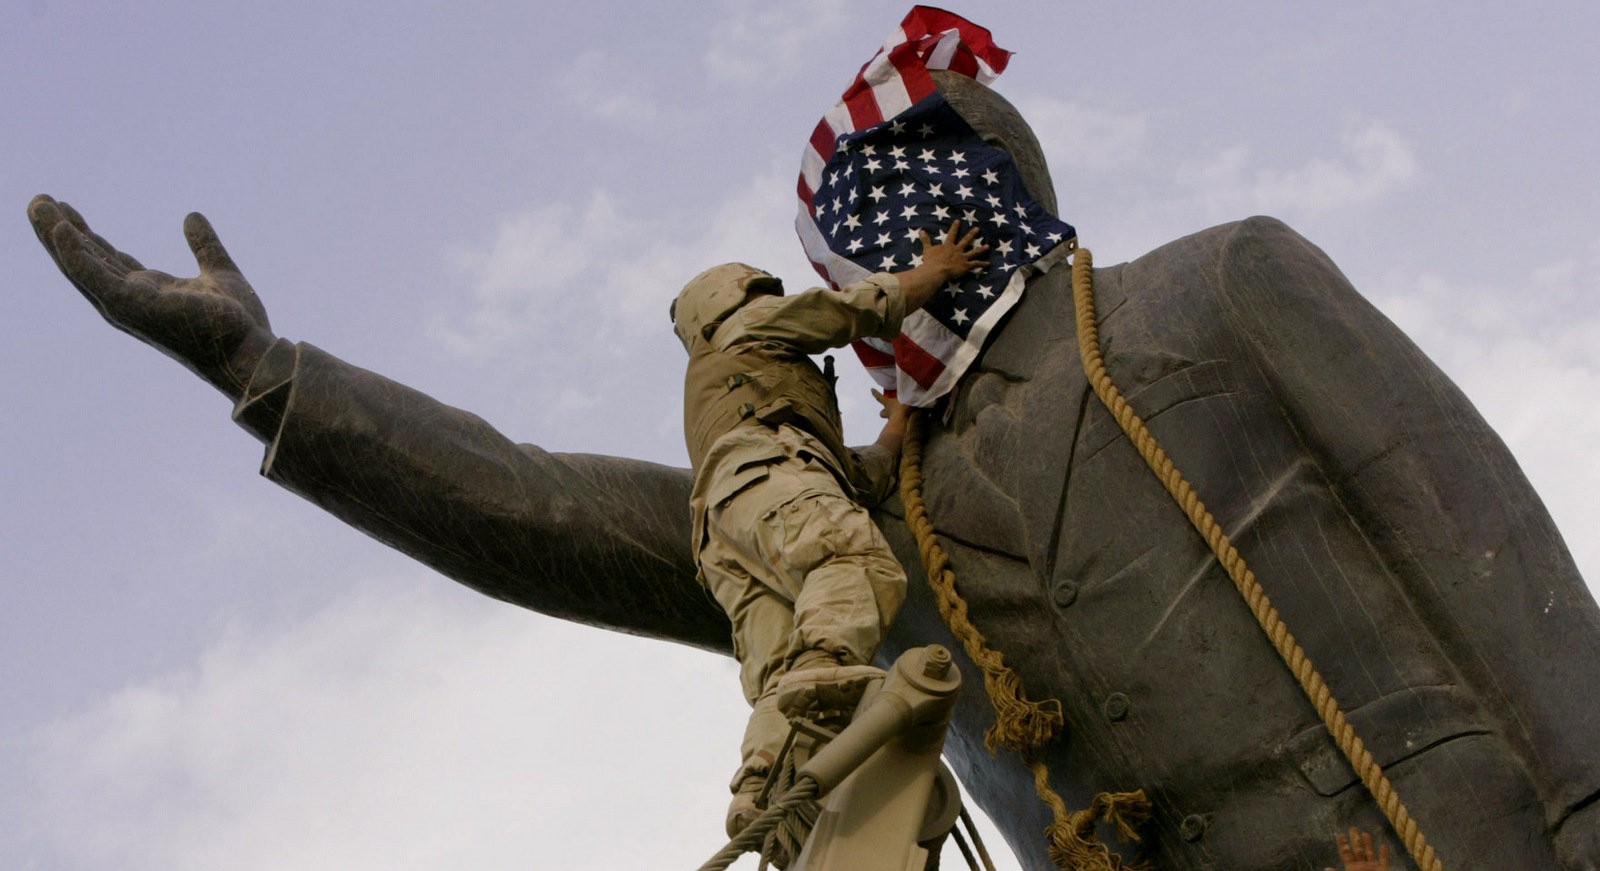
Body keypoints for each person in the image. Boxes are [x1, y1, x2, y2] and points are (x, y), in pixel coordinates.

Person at [669, 223, 988, 844]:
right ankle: (822, 681)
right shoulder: (745, 328)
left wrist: (895, 427)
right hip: (766, 476)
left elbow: (857, 478)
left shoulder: (735, 381)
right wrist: (936, 270)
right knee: (853, 562)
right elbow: (844, 312)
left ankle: (764, 786)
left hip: (725, 533)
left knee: (779, 673)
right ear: (731, 299)